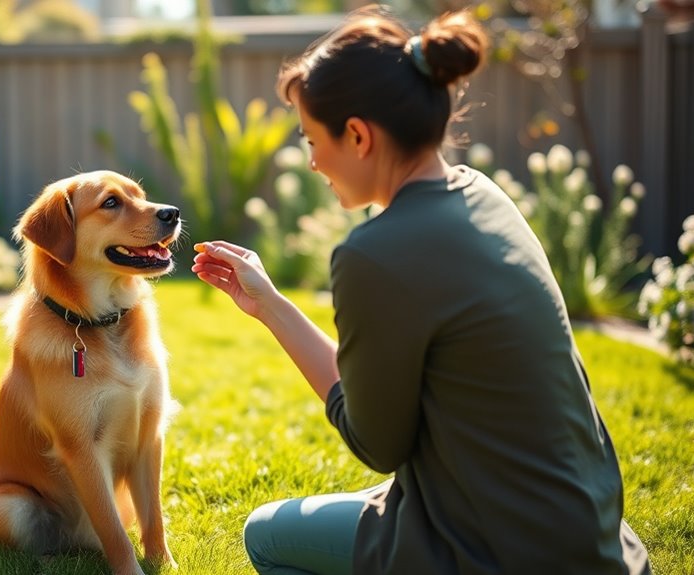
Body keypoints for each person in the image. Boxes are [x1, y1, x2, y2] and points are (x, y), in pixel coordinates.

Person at [191, 6, 651, 575]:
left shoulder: (374, 255)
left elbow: (376, 442)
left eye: (312, 140)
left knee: (267, 535)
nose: (311, 162)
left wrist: (275, 312)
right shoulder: (484, 195)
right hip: (590, 537)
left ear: (358, 135)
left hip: (499, 551)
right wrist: (270, 305)